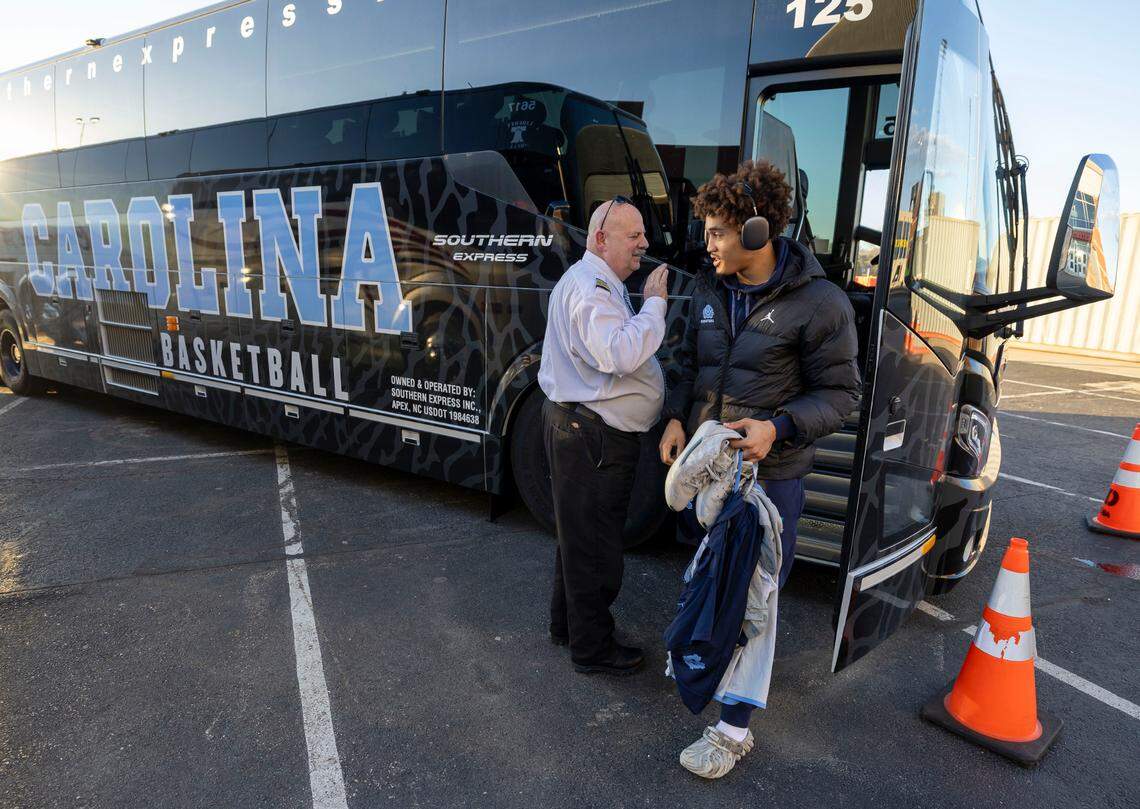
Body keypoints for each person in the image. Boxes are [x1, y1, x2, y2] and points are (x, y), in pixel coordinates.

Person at [659, 161, 860, 776]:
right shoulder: (708, 288)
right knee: (713, 584)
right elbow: (687, 362)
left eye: (718, 232)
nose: (708, 244)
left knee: (755, 601)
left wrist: (778, 427)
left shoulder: (820, 303)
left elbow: (843, 395)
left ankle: (733, 731)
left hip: (769, 482)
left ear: (754, 232)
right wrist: (674, 416)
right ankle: (715, 678)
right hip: (712, 476)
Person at [538, 198, 669, 675]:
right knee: (596, 546)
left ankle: (567, 628)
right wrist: (655, 306)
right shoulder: (592, 287)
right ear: (600, 239)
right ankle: (592, 650)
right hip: (592, 438)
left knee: (577, 539)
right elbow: (616, 353)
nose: (644, 244)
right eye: (633, 235)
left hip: (583, 431)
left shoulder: (593, 281)